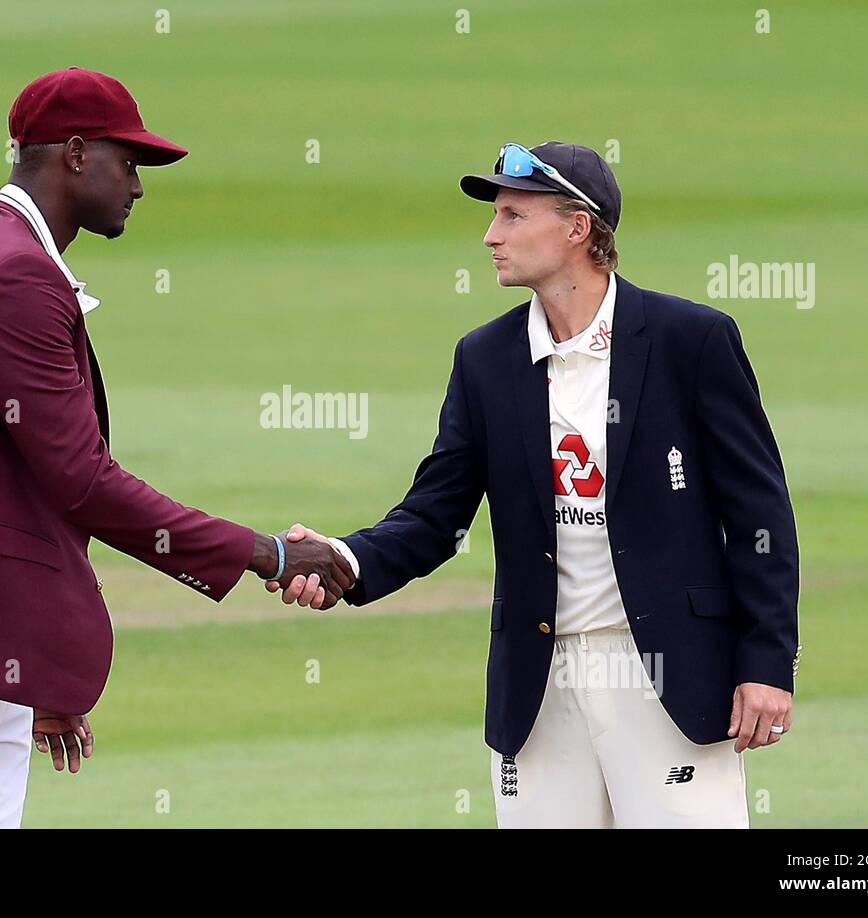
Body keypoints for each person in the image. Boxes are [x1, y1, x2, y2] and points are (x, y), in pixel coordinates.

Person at [0, 67, 353, 828]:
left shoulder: (12, 260)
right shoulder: (10, 274)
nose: (139, 186)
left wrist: (29, 658)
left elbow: (15, 499)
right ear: (77, 154)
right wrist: (272, 556)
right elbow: (82, 481)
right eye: (130, 163)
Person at [274, 141, 800, 828]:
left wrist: (767, 662)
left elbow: (760, 514)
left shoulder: (690, 341)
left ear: (578, 228)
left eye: (513, 216)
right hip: (540, 688)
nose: (490, 235)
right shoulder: (485, 359)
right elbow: (436, 515)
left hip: (667, 681)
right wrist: (344, 561)